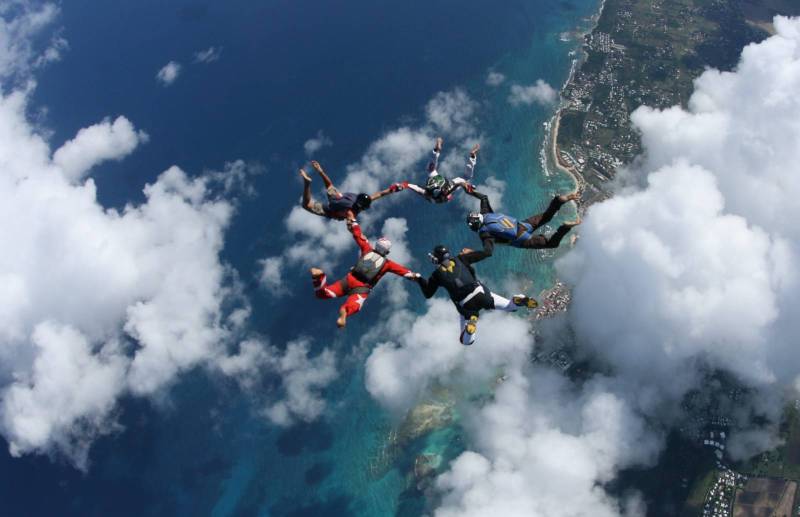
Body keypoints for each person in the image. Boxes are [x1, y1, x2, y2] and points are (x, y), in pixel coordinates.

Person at [416, 244, 538, 345]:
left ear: (436, 259)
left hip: (466, 305)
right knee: (510, 307)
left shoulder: (436, 276)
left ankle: (471, 327)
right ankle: (519, 299)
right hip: (480, 293)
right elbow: (487, 253)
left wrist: (418, 279)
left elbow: (428, 293)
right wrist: (472, 250)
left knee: (465, 341)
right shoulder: (461, 259)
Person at [310, 220, 419, 328]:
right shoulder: (388, 264)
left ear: (376, 245)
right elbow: (404, 272)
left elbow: (359, 236)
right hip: (362, 288)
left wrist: (353, 223)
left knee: (322, 294)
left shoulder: (367, 250)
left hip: (349, 279)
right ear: (387, 252)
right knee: (355, 305)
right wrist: (415, 276)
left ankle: (320, 276)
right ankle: (345, 312)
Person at [465, 189, 580, 254]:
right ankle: (558, 201)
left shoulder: (484, 233)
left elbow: (488, 252)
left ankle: (565, 227)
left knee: (552, 244)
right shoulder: (486, 213)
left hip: (522, 240)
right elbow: (483, 197)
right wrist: (469, 190)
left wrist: (472, 253)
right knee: (546, 216)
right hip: (522, 225)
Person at [300, 160, 402, 220]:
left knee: (329, 185)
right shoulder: (350, 212)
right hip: (332, 208)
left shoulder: (358, 198)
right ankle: (307, 184)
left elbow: (380, 194)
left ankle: (319, 172)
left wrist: (394, 188)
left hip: (339, 197)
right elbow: (352, 224)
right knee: (306, 204)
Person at [401, 138, 479, 204]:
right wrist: (406, 185)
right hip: (438, 182)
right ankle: (435, 151)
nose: (449, 197)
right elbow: (417, 189)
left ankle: (472, 157)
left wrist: (467, 187)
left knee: (466, 177)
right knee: (431, 170)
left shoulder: (441, 194)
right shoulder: (428, 194)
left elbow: (460, 183)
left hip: (442, 185)